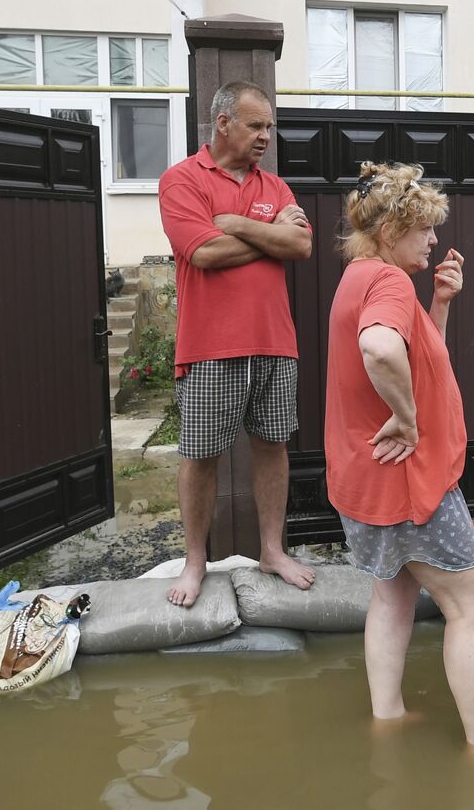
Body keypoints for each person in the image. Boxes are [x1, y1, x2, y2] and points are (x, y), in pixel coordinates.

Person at [325, 160, 474, 755]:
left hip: (364, 480)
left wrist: (440, 304)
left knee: (392, 594)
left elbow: (415, 354)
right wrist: (407, 419)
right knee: (471, 603)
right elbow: (381, 349)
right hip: (413, 483)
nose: (435, 240)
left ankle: (388, 720)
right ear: (390, 232)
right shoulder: (387, 282)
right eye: (424, 229)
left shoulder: (359, 275)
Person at [158, 81, 316, 607]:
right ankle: (194, 562)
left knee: (273, 447)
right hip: (208, 347)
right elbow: (201, 253)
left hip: (275, 342)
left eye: (269, 127)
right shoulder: (181, 180)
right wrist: (268, 233)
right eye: (256, 125)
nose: (265, 136)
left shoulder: (276, 185)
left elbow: (301, 245)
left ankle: (272, 550)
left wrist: (239, 224)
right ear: (223, 123)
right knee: (201, 456)